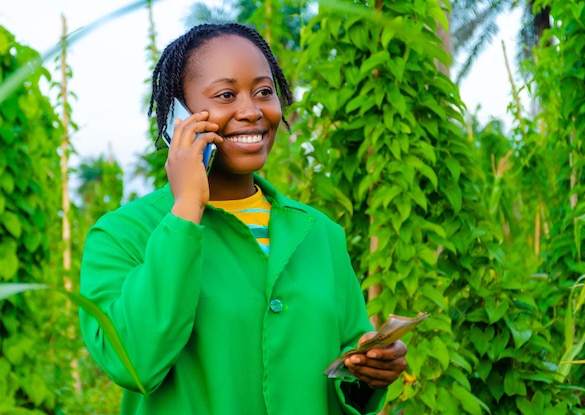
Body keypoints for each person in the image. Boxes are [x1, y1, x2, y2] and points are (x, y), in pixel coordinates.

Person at [79, 22, 407, 415]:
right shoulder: (121, 235)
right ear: (177, 116)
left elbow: (345, 375)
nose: (251, 111)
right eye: (225, 94)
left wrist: (371, 372)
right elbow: (133, 361)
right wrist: (185, 209)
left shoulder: (320, 234)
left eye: (264, 92)